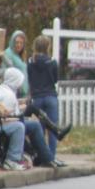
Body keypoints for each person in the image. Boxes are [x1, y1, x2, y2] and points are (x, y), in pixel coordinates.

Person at [0, 68, 65, 168]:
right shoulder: (8, 94)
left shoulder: (4, 90)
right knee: (26, 125)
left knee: (34, 124)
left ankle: (46, 157)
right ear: (15, 81)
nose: (20, 85)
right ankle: (44, 157)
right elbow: (11, 116)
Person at [26, 35, 65, 165]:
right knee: (52, 128)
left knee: (40, 130)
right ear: (47, 46)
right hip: (50, 96)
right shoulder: (52, 61)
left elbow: (30, 79)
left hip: (37, 98)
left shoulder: (31, 62)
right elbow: (55, 79)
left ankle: (43, 157)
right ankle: (52, 157)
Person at [2, 31, 28, 98]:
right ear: (12, 42)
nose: (19, 45)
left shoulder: (20, 55)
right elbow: (5, 71)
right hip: (14, 92)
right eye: (17, 42)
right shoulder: (8, 54)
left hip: (23, 94)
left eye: (21, 43)